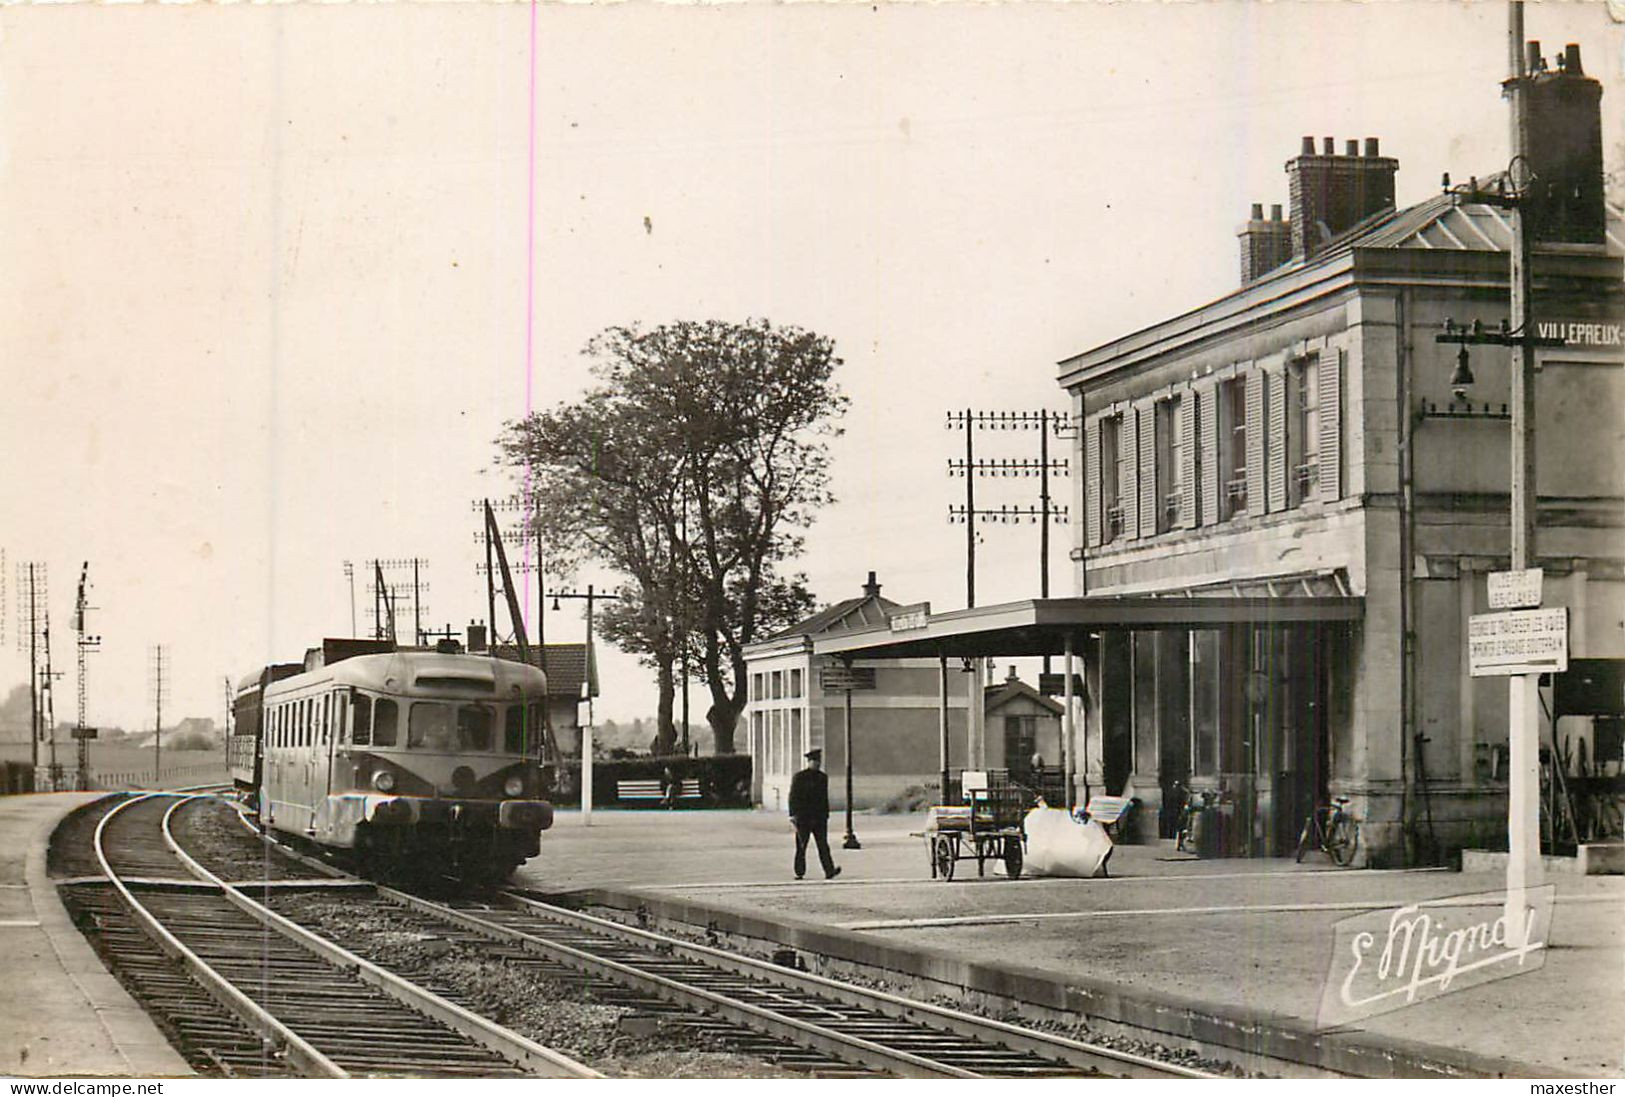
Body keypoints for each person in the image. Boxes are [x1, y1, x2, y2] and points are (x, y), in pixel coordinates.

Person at [788, 748, 841, 880]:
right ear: (809, 762)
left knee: (823, 845)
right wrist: (793, 814)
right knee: (801, 846)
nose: (817, 764)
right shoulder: (799, 777)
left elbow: (824, 798)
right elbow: (793, 797)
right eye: (814, 761)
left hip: (819, 817)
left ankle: (829, 870)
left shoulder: (822, 778)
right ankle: (799, 871)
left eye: (818, 762)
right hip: (803, 817)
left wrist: (826, 814)